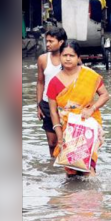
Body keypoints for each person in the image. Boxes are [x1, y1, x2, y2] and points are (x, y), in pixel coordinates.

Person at [47, 40, 110, 176]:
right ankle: (70, 195)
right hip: (67, 129)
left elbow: (105, 95)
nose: (68, 59)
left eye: (72, 55)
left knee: (88, 167)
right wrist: (59, 134)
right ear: (60, 57)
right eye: (65, 55)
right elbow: (53, 111)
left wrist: (91, 109)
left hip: (87, 125)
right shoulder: (54, 82)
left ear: (78, 58)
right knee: (70, 169)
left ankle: (93, 194)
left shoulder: (90, 75)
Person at [36, 27, 67, 157]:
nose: (47, 44)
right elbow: (40, 82)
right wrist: (38, 105)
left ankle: (66, 168)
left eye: (51, 41)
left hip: (66, 105)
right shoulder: (43, 59)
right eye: (46, 41)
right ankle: (52, 169)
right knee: (52, 142)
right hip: (47, 104)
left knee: (67, 140)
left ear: (60, 42)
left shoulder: (68, 58)